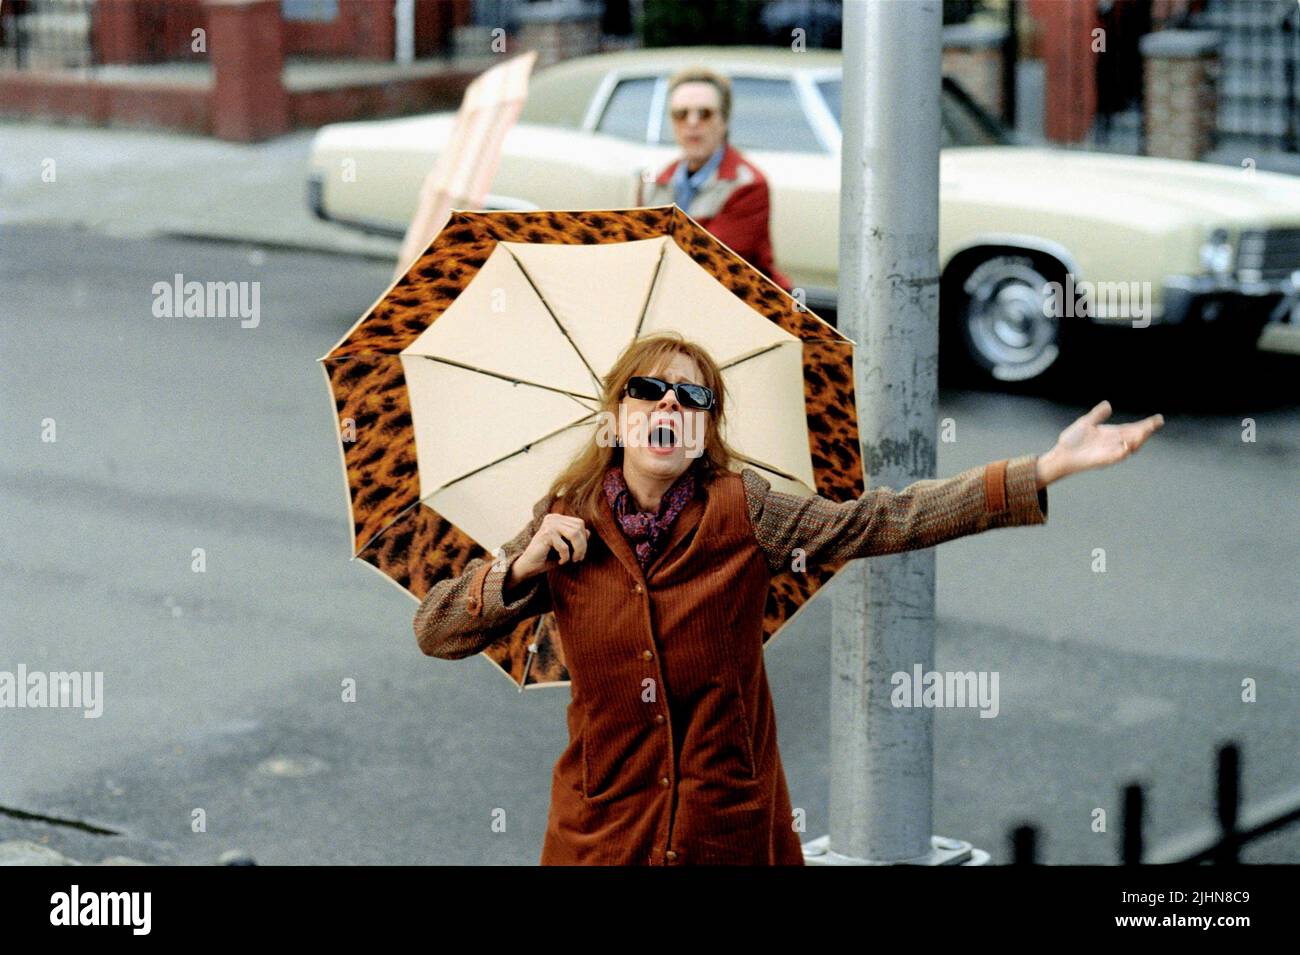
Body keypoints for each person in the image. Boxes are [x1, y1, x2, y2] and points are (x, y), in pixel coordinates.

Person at [413, 332, 1164, 865]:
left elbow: (884, 519)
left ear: (705, 429)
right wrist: (515, 573)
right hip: (600, 832)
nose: (667, 402)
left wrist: (1044, 469)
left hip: (725, 830)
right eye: (647, 387)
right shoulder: (565, 523)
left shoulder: (747, 510)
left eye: (692, 394)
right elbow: (436, 630)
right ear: (617, 413)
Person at [637, 67, 793, 292]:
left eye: (705, 113)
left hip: (742, 304)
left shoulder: (749, 185)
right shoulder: (655, 182)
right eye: (681, 114)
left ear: (724, 120)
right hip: (677, 297)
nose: (692, 123)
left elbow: (710, 264)